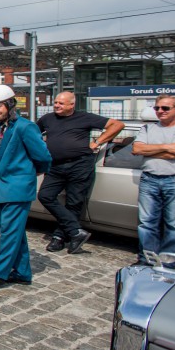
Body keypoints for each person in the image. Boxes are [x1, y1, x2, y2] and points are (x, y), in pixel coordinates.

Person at [0, 85, 52, 288]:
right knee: (13, 231)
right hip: (2, 186)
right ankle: (23, 272)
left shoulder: (25, 127)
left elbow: (44, 157)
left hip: (17, 187)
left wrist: (28, 174)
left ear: (10, 105)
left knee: (9, 232)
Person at [37, 91, 124, 254]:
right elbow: (33, 134)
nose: (57, 105)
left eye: (61, 103)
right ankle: (75, 231)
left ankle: (59, 237)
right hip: (55, 166)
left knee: (74, 202)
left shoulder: (85, 117)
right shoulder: (47, 119)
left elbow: (117, 125)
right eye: (56, 102)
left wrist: (97, 142)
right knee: (45, 196)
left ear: (72, 105)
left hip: (80, 165)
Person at [131, 94, 175, 264]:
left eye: (165, 108)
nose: (160, 111)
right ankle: (147, 259)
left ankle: (168, 262)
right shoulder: (147, 128)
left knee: (174, 225)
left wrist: (150, 150)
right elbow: (137, 149)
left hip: (174, 179)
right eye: (157, 108)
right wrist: (167, 148)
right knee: (147, 223)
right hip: (149, 179)